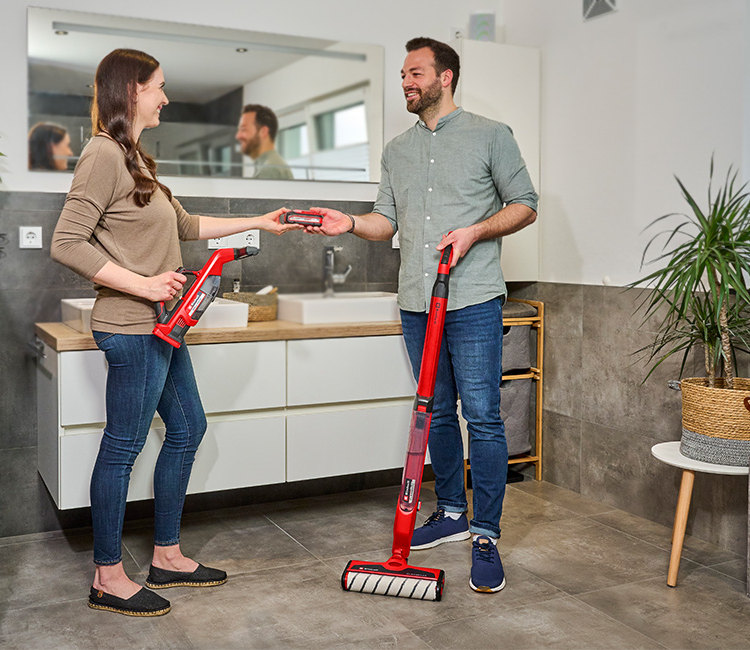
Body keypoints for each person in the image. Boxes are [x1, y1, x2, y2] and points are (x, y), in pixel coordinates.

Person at [50, 48, 300, 618]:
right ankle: (107, 576)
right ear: (131, 91)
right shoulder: (102, 153)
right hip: (132, 327)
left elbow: (187, 227)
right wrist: (143, 285)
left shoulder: (135, 157)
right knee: (123, 447)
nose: (166, 96)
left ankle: (166, 554)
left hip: (162, 327)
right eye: (159, 86)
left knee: (187, 427)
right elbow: (66, 242)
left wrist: (259, 222)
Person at [305, 37, 538, 594]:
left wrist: (476, 230)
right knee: (433, 412)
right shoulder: (396, 150)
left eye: (415, 73)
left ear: (446, 77)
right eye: (403, 76)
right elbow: (386, 220)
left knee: (481, 414)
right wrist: (351, 224)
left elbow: (525, 204)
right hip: (416, 299)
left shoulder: (491, 135)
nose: (406, 83)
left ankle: (485, 531)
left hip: (474, 297)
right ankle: (452, 512)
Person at [236, 104, 294, 180]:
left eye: (244, 129)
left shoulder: (268, 171)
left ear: (263, 132)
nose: (238, 136)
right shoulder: (272, 165)